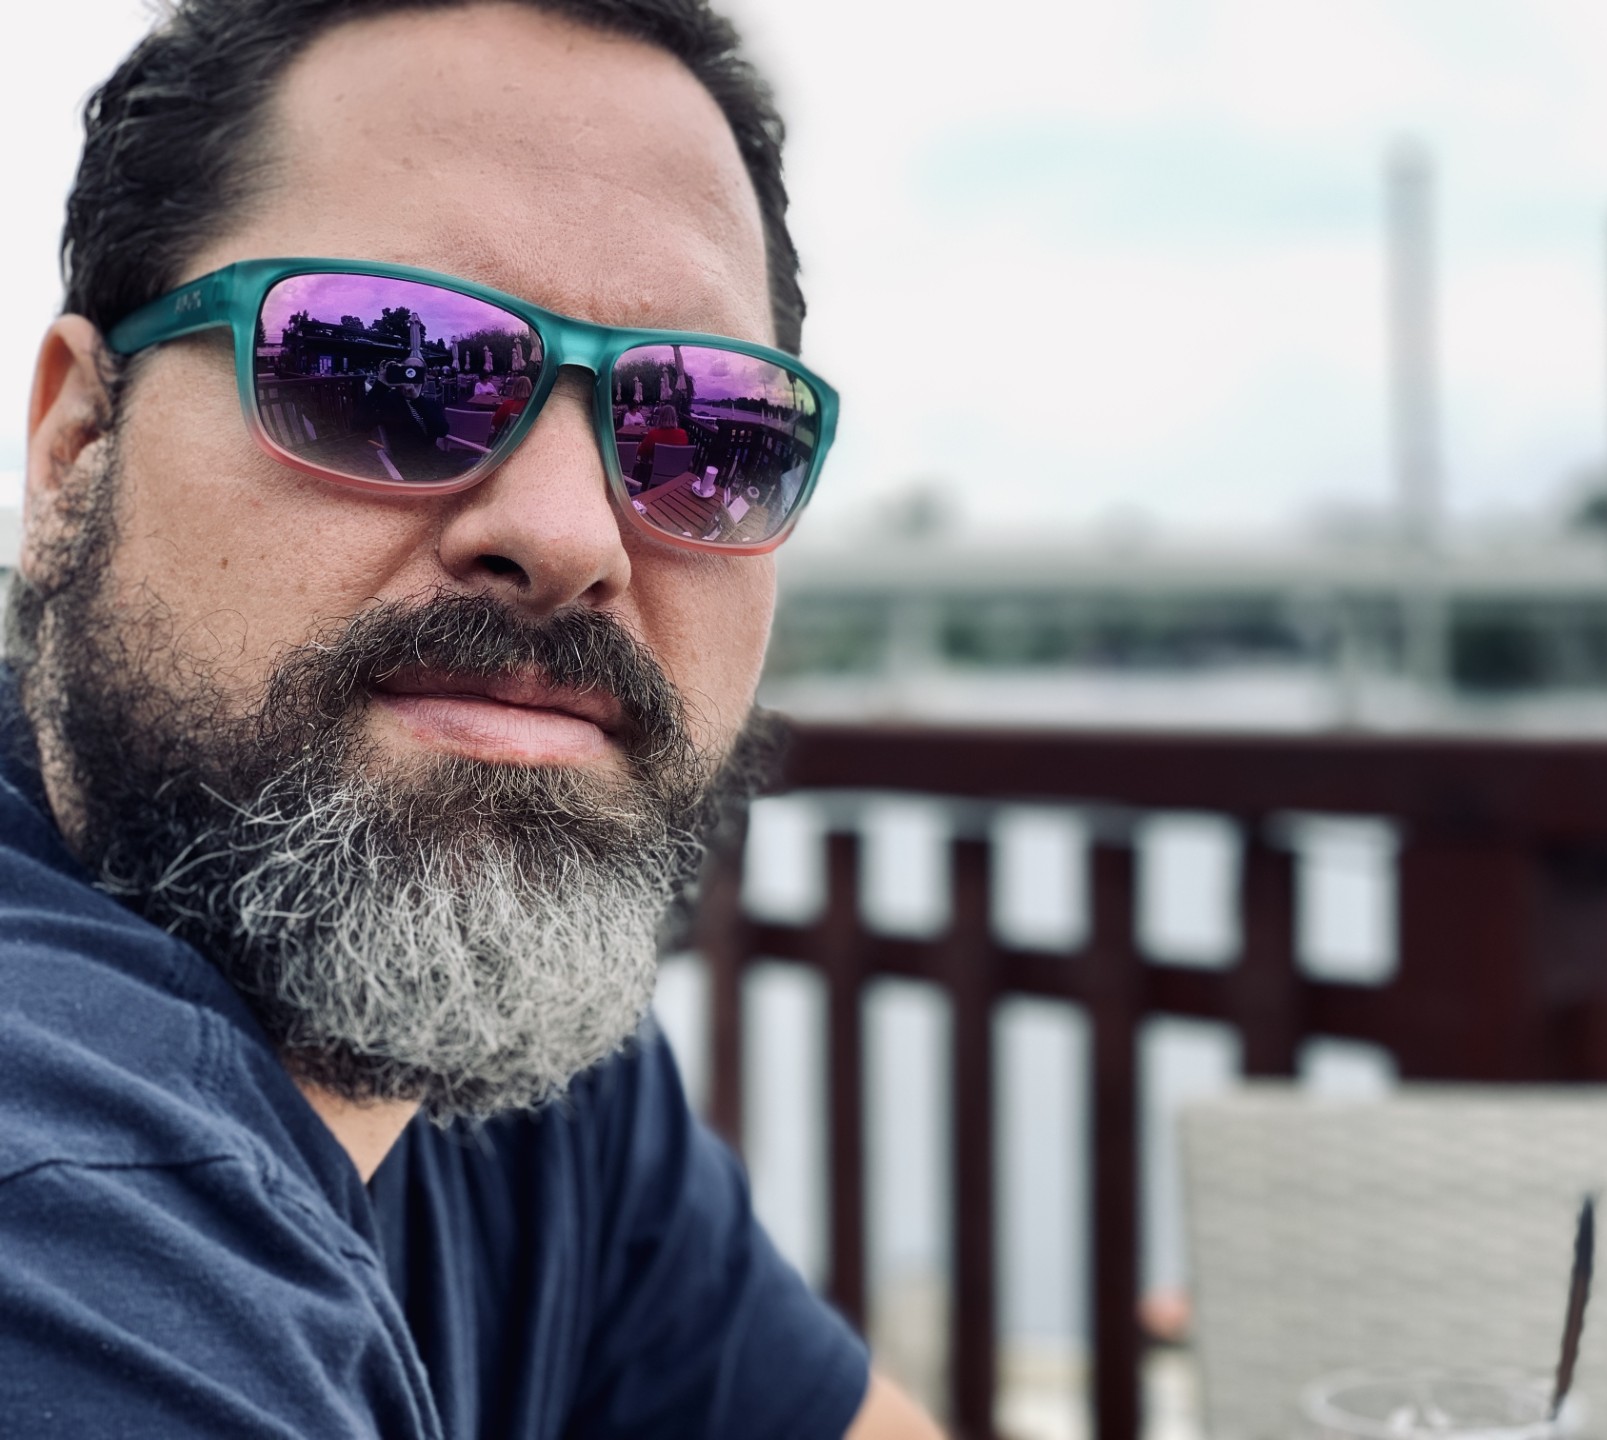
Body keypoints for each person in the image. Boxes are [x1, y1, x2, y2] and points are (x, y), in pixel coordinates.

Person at [1, 3, 939, 1438]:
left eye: (705, 432)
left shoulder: (502, 1034)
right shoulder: (60, 1206)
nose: (570, 534)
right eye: (387, 369)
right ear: (78, 448)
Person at [631, 400, 692, 487]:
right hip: (676, 476)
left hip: (655, 474)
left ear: (660, 417)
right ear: (675, 418)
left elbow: (640, 452)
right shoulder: (683, 434)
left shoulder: (653, 434)